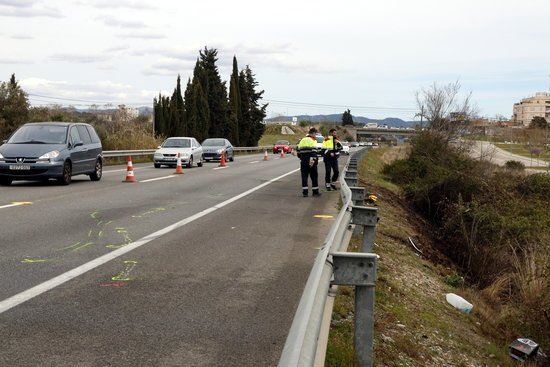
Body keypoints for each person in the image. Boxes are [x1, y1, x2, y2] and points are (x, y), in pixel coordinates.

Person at [296, 127, 321, 197]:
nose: (316, 136)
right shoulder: (313, 140)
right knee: (314, 176)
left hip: (303, 161)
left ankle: (305, 193)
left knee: (304, 176)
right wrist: (313, 160)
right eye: (315, 134)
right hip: (311, 160)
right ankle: (315, 192)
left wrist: (302, 157)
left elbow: (298, 150)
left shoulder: (302, 140)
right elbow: (314, 152)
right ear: (312, 133)